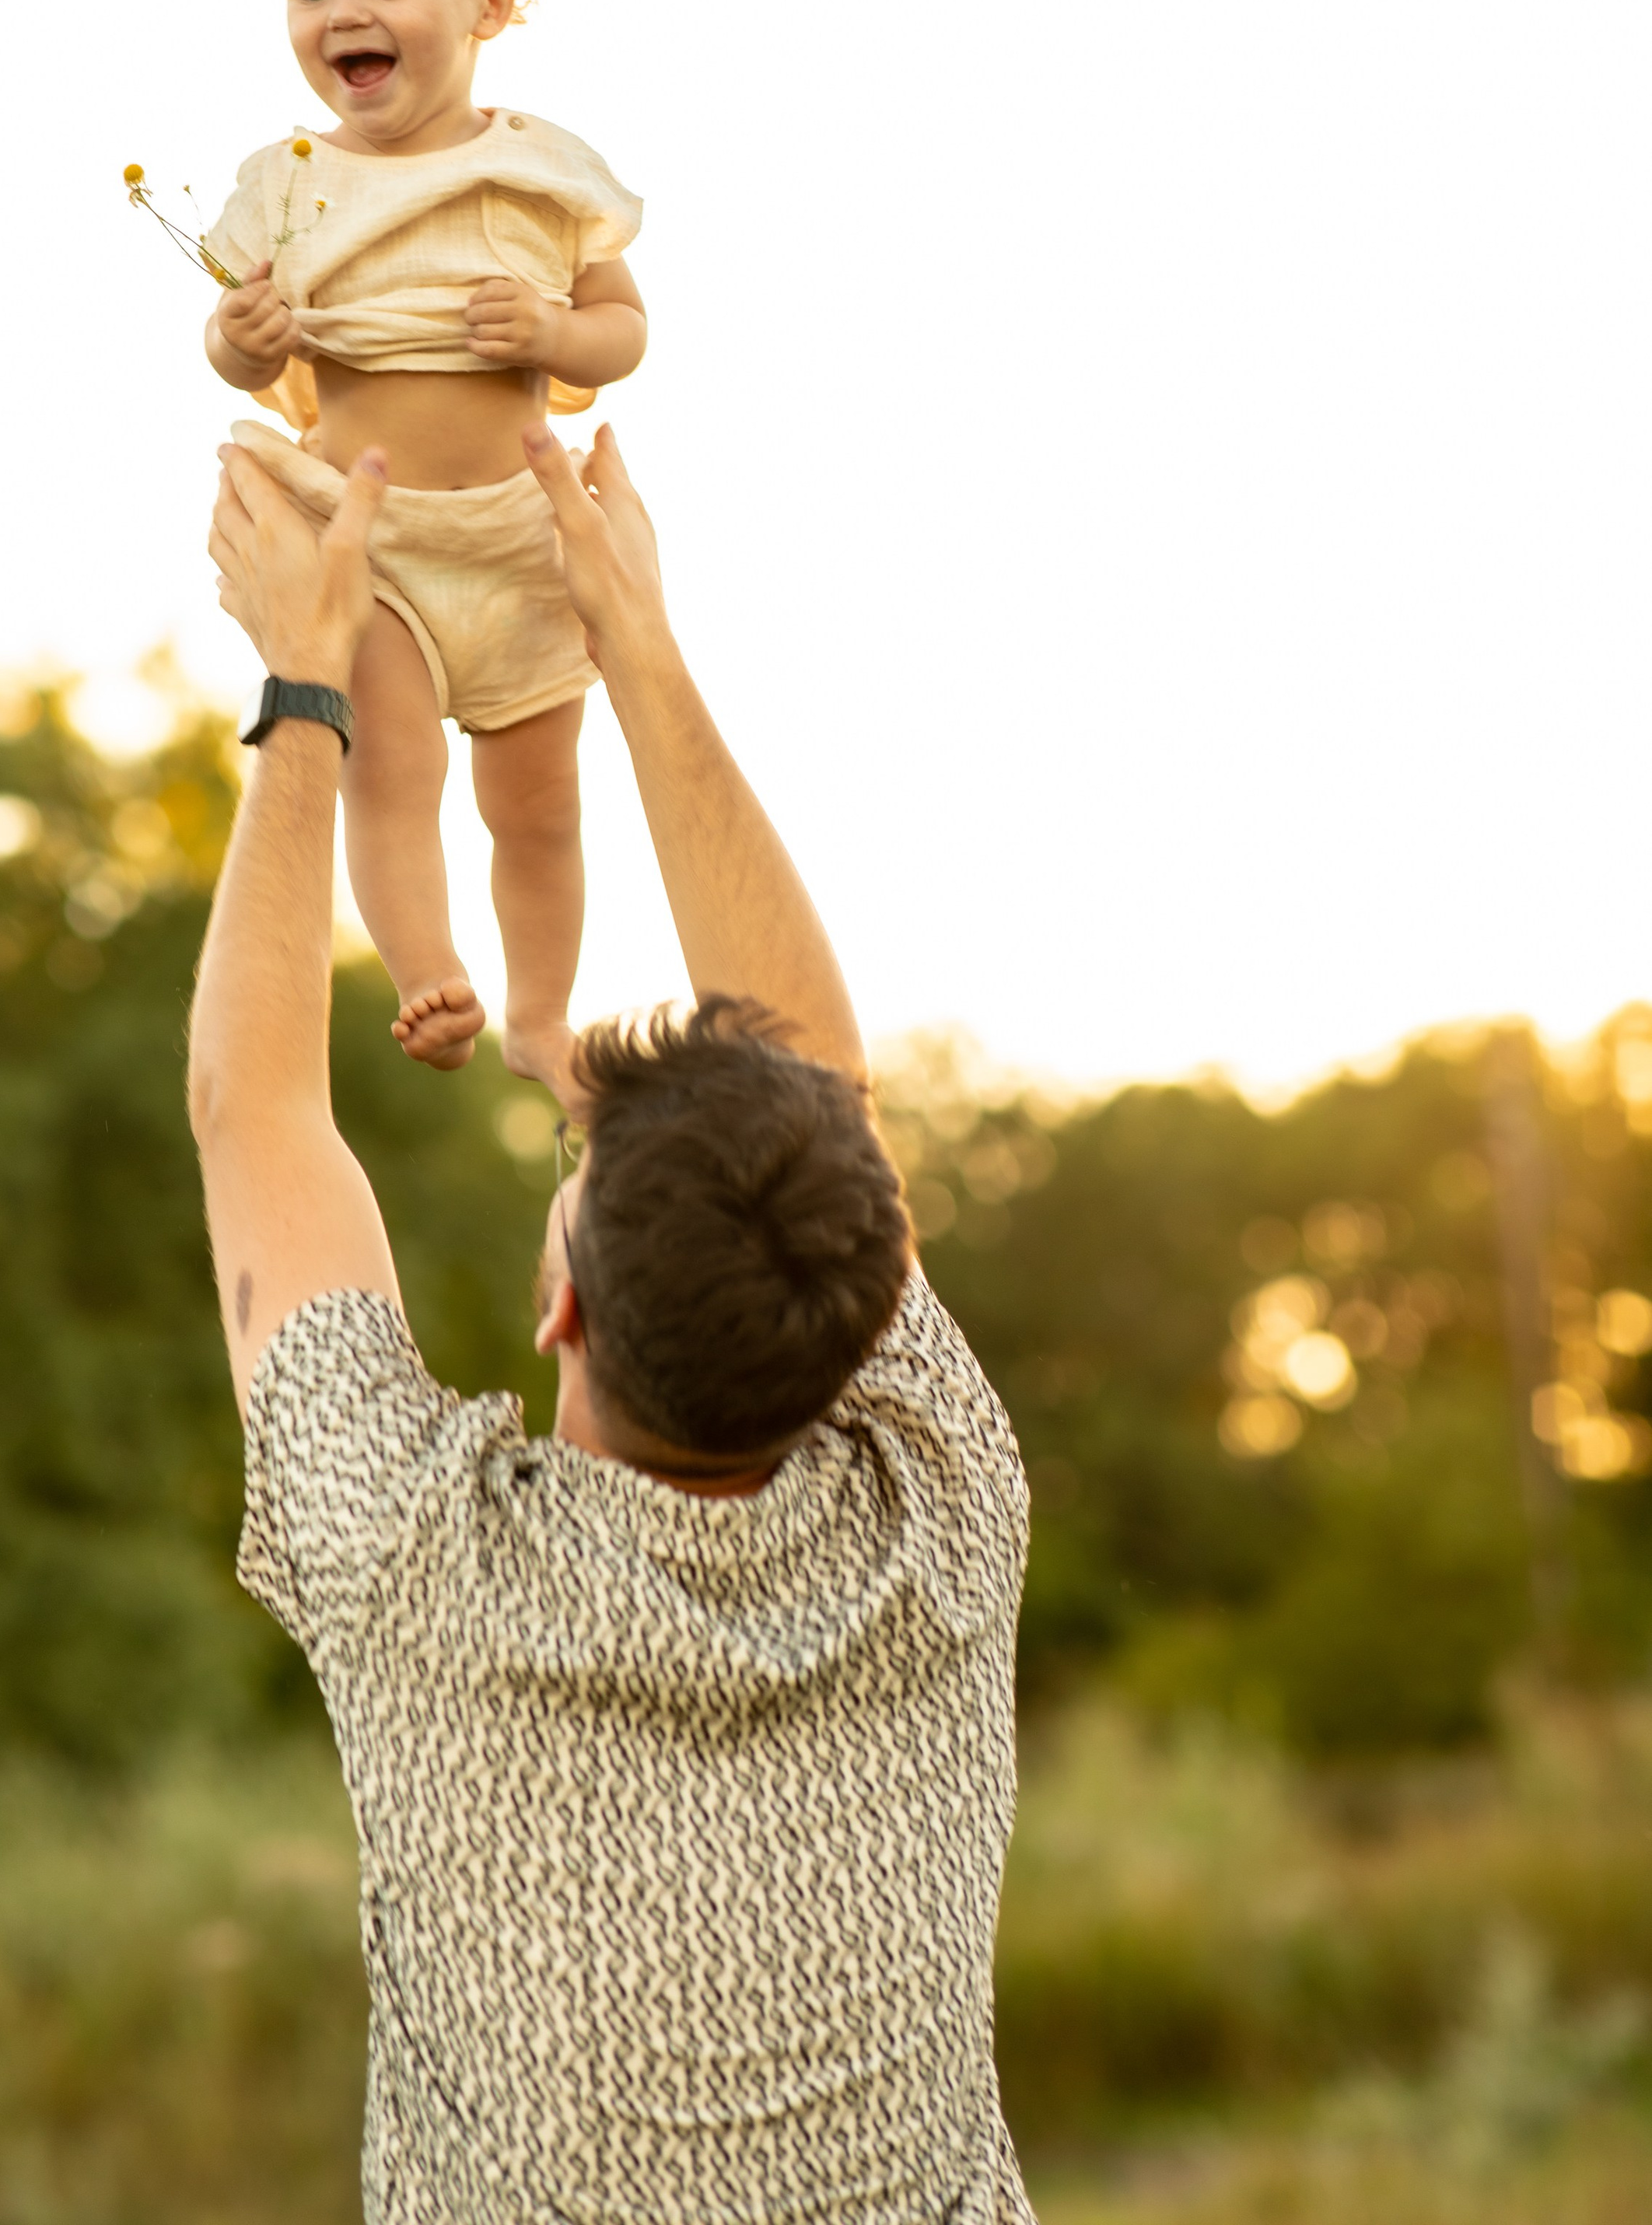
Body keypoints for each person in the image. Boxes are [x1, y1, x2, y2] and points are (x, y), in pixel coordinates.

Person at [191, 422, 1037, 2224]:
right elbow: (257, 1115)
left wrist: (301, 676)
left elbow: (258, 1118)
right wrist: (622, 652)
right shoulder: (945, 1518)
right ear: (866, 1297)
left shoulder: (415, 1571)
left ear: (558, 1301)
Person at [203, 0, 647, 1100]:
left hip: (514, 540)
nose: (346, 11)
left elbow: (624, 328)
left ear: (492, 1)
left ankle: (545, 1015)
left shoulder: (540, 169)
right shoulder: (286, 186)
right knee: (392, 769)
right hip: (375, 538)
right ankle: (430, 973)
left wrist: (562, 331)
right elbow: (235, 352)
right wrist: (243, 334)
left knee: (540, 803)